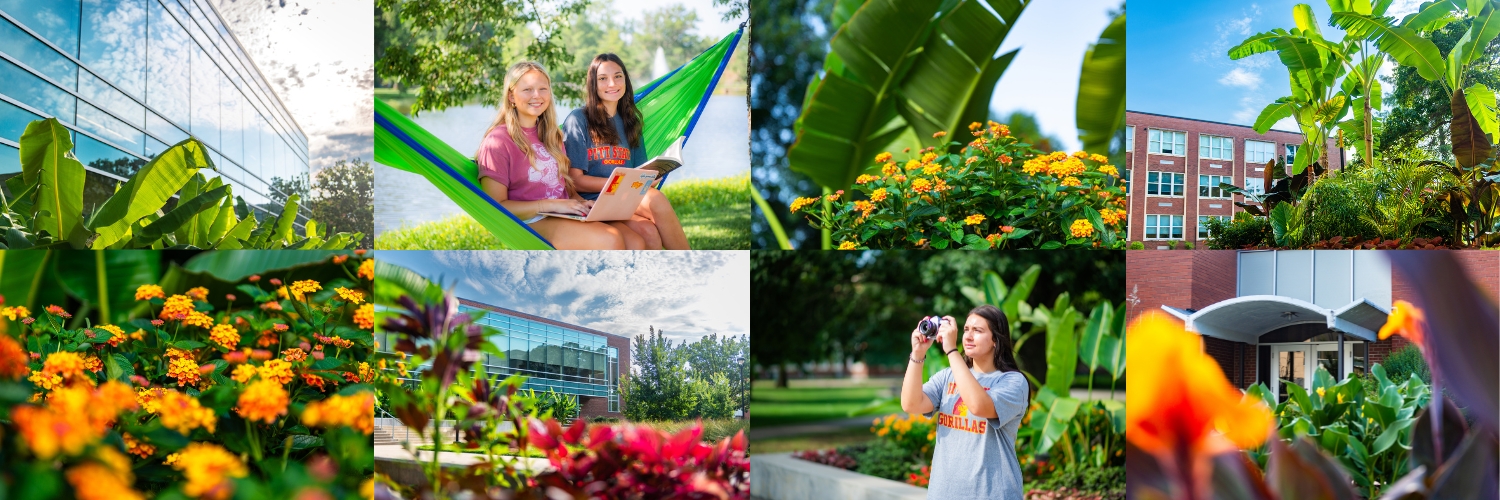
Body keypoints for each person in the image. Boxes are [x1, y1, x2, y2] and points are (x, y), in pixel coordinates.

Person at [474, 61, 652, 249]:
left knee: (636, 242)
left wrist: (583, 203)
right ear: (511, 96)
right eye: (527, 89)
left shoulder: (551, 135)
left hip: (563, 212)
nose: (537, 96)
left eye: (543, 89)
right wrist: (549, 205)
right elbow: (495, 207)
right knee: (610, 239)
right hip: (530, 221)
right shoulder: (497, 142)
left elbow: (566, 188)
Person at [900, 304, 1030, 500]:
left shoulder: (1012, 382)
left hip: (992, 494)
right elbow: (911, 404)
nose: (968, 336)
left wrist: (952, 350)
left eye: (977, 331)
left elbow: (979, 406)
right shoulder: (947, 377)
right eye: (966, 329)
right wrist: (918, 353)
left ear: (996, 339)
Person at [562, 53, 689, 250]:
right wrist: (620, 184)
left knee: (649, 232)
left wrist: (652, 176)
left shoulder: (630, 121)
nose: (612, 83)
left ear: (626, 81)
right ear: (593, 84)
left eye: (618, 76)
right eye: (603, 79)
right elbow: (575, 181)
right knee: (656, 199)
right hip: (593, 201)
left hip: (624, 199)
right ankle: (690, 266)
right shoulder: (578, 119)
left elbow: (641, 172)